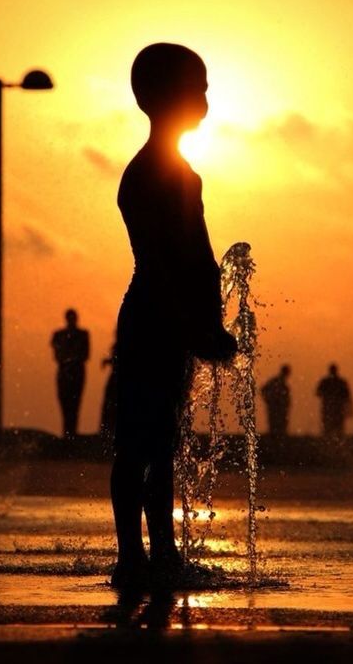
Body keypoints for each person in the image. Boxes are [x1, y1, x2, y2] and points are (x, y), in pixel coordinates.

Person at [110, 43, 237, 589]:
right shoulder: (144, 175)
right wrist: (192, 322)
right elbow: (160, 261)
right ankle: (131, 554)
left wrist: (210, 321)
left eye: (206, 86)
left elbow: (203, 256)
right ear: (156, 97)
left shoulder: (186, 172)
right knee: (138, 441)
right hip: (152, 314)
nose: (205, 98)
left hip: (178, 315)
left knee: (163, 441)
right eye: (196, 87)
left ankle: (161, 549)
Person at [51, 308, 90, 438]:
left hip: (76, 372)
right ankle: (68, 433)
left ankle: (71, 433)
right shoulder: (59, 335)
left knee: (75, 403)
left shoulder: (83, 334)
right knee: (65, 402)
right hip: (65, 372)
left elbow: (85, 355)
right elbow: (57, 355)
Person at [316, 364, 353, 439]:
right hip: (333, 408)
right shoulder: (340, 382)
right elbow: (347, 395)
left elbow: (318, 393)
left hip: (332, 408)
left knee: (332, 428)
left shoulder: (326, 381)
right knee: (334, 428)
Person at [260, 364, 292, 437]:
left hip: (280, 407)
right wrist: (268, 399)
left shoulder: (280, 383)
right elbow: (263, 389)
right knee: (275, 424)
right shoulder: (276, 382)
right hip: (275, 406)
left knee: (279, 425)